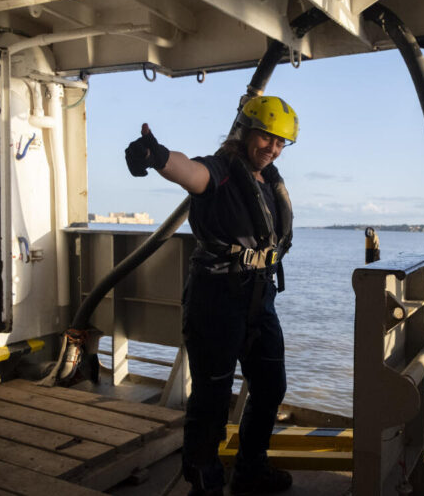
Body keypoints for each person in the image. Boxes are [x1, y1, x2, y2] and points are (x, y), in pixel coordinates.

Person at [125, 96, 297, 496]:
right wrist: (157, 155)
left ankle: (251, 470)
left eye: (280, 142)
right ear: (246, 131)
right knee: (213, 395)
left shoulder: (267, 183)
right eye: (266, 137)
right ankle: (205, 483)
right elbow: (190, 172)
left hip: (259, 298)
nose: (272, 148)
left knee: (271, 385)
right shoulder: (220, 170)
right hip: (216, 300)